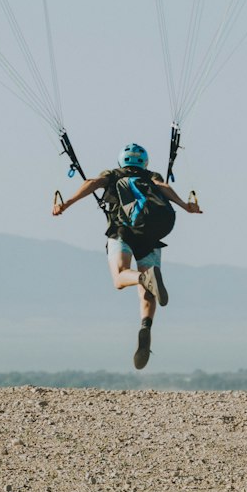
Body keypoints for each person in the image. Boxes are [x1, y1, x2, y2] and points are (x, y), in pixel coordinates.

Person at [51, 142, 202, 370]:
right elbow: (164, 188)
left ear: (122, 160)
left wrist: (67, 203)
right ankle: (146, 326)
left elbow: (92, 183)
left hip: (122, 230)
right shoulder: (152, 176)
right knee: (149, 289)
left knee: (121, 277)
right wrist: (184, 205)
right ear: (145, 162)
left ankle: (144, 277)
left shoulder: (113, 174)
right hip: (151, 235)